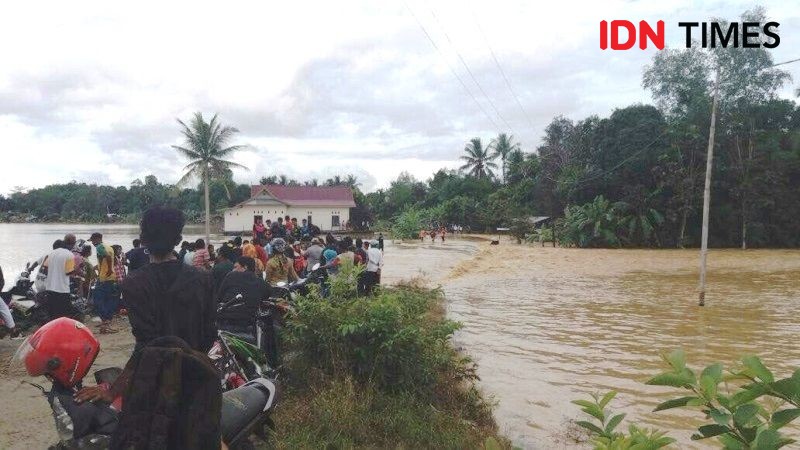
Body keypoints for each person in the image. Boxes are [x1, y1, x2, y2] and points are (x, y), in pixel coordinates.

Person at [75, 206, 221, 447]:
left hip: (154, 386)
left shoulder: (134, 284)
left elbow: (146, 347)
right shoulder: (204, 279)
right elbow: (208, 336)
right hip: (197, 380)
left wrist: (112, 391)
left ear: (143, 239)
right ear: (178, 238)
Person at [216, 256, 269, 326]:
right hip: (249, 321)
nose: (233, 270)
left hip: (227, 319)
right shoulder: (261, 282)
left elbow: (219, 296)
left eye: (236, 267)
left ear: (245, 267)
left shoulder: (231, 275)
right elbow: (268, 295)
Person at [40, 234, 78, 320]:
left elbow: (45, 269)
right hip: (62, 290)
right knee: (63, 315)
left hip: (50, 289)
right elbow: (69, 273)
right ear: (73, 243)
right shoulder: (69, 255)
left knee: (52, 315)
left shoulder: (52, 253)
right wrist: (76, 269)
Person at [89, 233, 118, 334]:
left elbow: (108, 258)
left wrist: (109, 269)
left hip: (104, 277)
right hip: (110, 277)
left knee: (97, 299)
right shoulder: (109, 247)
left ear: (97, 239)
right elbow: (110, 259)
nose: (92, 243)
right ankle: (106, 322)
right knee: (108, 300)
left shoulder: (99, 247)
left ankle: (105, 322)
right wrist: (97, 267)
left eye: (92, 241)